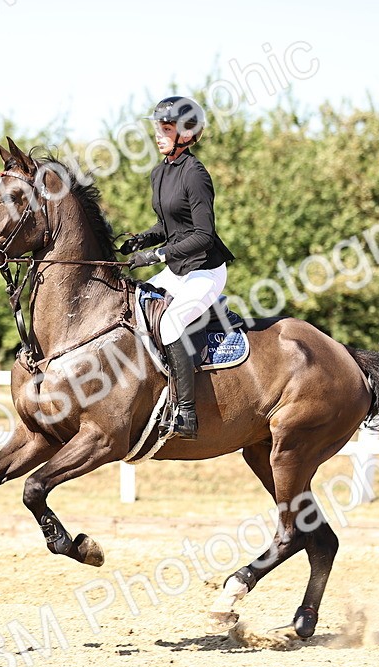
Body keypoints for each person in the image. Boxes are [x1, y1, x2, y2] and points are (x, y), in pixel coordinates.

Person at [120, 96, 236, 440]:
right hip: (177, 269)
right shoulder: (160, 172)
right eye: (158, 128)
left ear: (186, 134)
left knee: (170, 324)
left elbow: (203, 235)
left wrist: (155, 256)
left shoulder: (195, 174)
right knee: (135, 305)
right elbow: (168, 224)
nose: (158, 135)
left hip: (204, 270)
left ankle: (186, 412)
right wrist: (141, 240)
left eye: (166, 129)